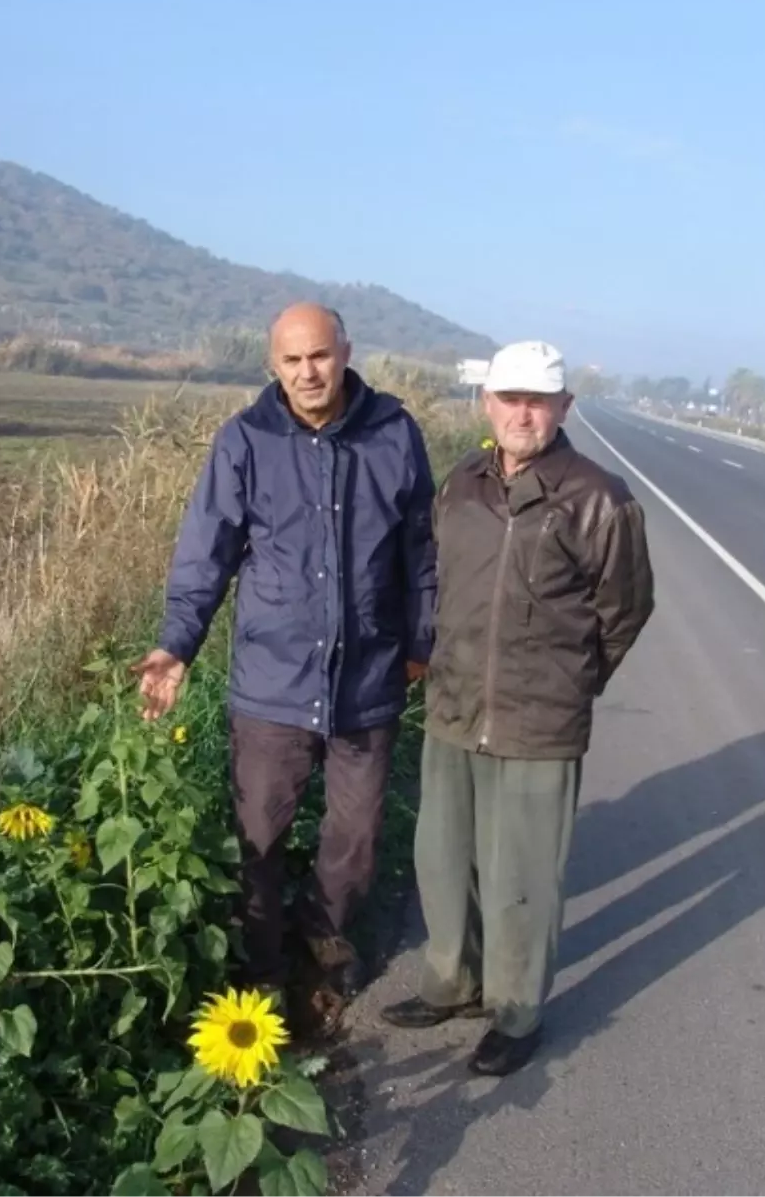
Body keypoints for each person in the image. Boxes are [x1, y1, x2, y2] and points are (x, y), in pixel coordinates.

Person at [132, 302, 437, 1016]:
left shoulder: (393, 433)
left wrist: (421, 641)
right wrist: (177, 643)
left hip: (367, 678)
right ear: (273, 366)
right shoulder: (245, 441)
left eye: (321, 356)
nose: (309, 372)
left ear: (346, 352)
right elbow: (205, 554)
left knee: (357, 837)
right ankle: (263, 968)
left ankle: (322, 940)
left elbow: (421, 550)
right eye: (293, 360)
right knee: (259, 839)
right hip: (273, 683)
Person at [381, 340, 655, 1076]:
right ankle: (453, 982)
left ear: (564, 408)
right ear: (487, 403)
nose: (522, 412)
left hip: (541, 719)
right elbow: (436, 581)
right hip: (455, 703)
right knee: (443, 860)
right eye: (510, 397)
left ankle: (515, 1011)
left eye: (539, 399)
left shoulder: (600, 497)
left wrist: (570, 680)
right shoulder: (461, 485)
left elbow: (624, 609)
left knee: (521, 879)